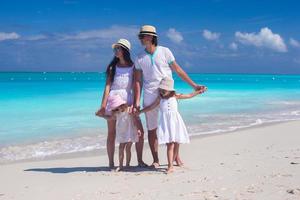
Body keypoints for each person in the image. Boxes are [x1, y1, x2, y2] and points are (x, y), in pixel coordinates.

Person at [133, 25, 206, 168]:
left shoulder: (165, 51)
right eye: (140, 36)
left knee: (172, 125)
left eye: (144, 36)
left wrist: (194, 86)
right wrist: (136, 101)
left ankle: (176, 157)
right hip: (149, 94)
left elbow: (178, 70)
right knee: (152, 129)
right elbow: (137, 81)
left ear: (151, 37)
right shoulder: (139, 57)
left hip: (167, 93)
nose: (141, 39)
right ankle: (156, 160)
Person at [137, 77, 206, 173]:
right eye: (161, 89)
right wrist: (140, 111)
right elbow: (151, 107)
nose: (162, 91)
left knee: (176, 142)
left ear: (170, 90)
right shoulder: (160, 99)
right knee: (170, 144)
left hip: (175, 122)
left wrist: (198, 92)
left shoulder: (175, 96)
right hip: (166, 124)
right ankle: (170, 166)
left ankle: (174, 160)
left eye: (164, 90)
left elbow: (189, 95)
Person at [95, 38, 146, 168]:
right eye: (115, 49)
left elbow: (136, 86)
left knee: (134, 130)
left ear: (125, 50)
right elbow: (107, 86)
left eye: (118, 48)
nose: (116, 51)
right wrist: (102, 105)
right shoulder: (113, 67)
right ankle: (111, 163)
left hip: (127, 101)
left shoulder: (133, 67)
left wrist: (135, 103)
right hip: (113, 100)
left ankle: (138, 160)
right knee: (111, 132)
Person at [97, 94, 143, 172]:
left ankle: (127, 164)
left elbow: (135, 119)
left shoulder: (129, 110)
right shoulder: (116, 113)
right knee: (121, 148)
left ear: (121, 104)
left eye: (117, 108)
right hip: (122, 132)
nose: (116, 110)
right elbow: (109, 118)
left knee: (128, 148)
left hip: (130, 131)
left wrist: (138, 129)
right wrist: (101, 116)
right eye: (115, 108)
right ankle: (121, 165)